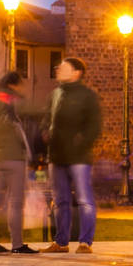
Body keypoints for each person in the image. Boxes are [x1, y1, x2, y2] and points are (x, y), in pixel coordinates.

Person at [42, 55, 103, 254]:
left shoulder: (87, 96)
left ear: (77, 73)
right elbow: (47, 118)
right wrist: (45, 133)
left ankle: (85, 242)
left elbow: (94, 126)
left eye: (64, 67)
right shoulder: (56, 94)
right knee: (60, 201)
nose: (59, 68)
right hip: (57, 155)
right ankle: (61, 242)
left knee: (84, 199)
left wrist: (80, 142)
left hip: (78, 157)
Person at [0, 71, 36, 255]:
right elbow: (32, 111)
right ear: (14, 85)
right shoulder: (12, 100)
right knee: (15, 202)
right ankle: (17, 244)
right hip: (13, 156)